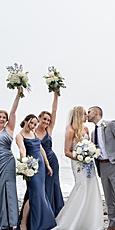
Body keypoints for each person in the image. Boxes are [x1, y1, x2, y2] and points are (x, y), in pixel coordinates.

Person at [50, 106, 104, 230]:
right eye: (85, 114)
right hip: (78, 164)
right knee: (81, 187)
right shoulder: (70, 130)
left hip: (89, 165)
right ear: (79, 115)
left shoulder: (86, 129)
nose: (87, 116)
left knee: (91, 188)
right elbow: (67, 152)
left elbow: (90, 146)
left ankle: (88, 222)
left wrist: (90, 155)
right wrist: (81, 157)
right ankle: (71, 221)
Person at [0, 88, 23, 230]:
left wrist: (18, 95)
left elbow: (13, 111)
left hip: (7, 161)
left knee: (8, 189)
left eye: (4, 117)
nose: (1, 119)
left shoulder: (8, 130)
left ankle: (11, 221)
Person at [17, 114, 56, 230]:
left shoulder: (34, 134)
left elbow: (41, 149)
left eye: (34, 123)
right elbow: (22, 150)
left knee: (38, 193)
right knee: (35, 193)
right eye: (31, 122)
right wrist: (25, 163)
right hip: (31, 167)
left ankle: (37, 223)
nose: (32, 125)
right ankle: (23, 223)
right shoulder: (20, 135)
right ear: (25, 120)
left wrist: (47, 164)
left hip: (41, 166)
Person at [36, 88, 65, 217]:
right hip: (40, 161)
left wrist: (55, 94)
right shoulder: (33, 132)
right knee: (42, 186)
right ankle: (44, 213)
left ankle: (56, 213)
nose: (46, 122)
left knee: (53, 184)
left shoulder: (49, 130)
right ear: (39, 118)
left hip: (52, 160)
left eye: (48, 120)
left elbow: (54, 110)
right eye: (44, 119)